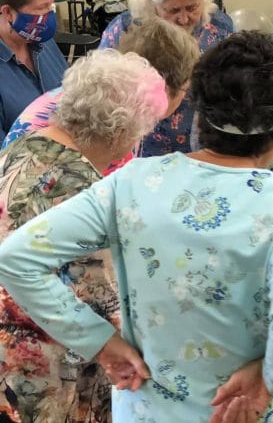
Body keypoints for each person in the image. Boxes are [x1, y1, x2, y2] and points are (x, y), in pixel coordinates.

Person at [0, 31, 273, 422]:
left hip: (147, 407)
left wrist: (100, 342)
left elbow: (16, 258)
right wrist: (268, 377)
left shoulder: (131, 183)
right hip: (242, 411)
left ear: (198, 113)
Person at [0, 49, 167, 423]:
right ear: (122, 130)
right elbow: (101, 298)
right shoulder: (80, 185)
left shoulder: (26, 144)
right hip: (47, 364)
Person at [2, 18, 200, 173]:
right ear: (162, 89)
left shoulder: (103, 94)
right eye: (184, 90)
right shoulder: (120, 119)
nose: (184, 98)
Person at [100, 0, 235, 157]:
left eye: (192, 8)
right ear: (154, 4)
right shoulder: (127, 28)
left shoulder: (220, 29)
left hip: (201, 137)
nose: (183, 18)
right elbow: (103, 82)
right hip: (143, 137)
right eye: (173, 10)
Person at [0, 0, 66, 142]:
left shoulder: (44, 44)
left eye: (51, 5)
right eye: (41, 8)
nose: (49, 15)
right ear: (7, 12)